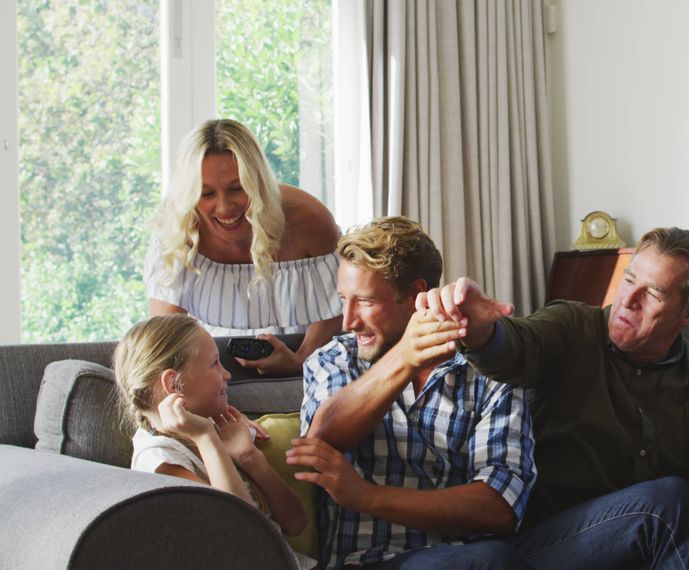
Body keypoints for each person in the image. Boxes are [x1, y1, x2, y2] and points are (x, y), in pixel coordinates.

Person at [419, 227, 689, 569]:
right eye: (629, 279)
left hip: (638, 544)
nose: (627, 302)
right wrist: (476, 328)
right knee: (664, 503)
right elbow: (515, 348)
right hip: (545, 544)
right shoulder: (573, 326)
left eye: (652, 294)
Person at [288, 217, 536, 569]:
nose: (348, 321)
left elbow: (499, 506)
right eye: (344, 299)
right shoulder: (335, 359)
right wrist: (404, 357)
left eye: (365, 301)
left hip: (468, 557)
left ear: (416, 294)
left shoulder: (488, 370)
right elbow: (322, 440)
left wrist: (367, 496)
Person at [112, 314, 313, 568]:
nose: (227, 374)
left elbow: (296, 523)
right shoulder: (159, 460)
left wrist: (250, 458)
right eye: (215, 364)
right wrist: (206, 439)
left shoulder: (222, 426)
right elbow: (241, 537)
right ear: (173, 383)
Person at [145, 119, 341, 376]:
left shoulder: (308, 218)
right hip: (210, 375)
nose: (225, 207)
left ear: (258, 182)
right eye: (206, 194)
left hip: (310, 367)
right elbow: (167, 341)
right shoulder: (175, 231)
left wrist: (300, 360)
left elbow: (340, 301)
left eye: (238, 189)